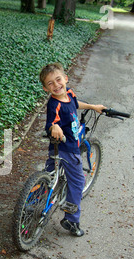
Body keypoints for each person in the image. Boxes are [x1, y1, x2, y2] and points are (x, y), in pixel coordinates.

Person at [39, 62, 105, 237]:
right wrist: (55, 127)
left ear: (65, 79)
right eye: (50, 83)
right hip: (67, 149)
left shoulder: (69, 94)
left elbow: (75, 104)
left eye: (58, 80)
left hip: (56, 150)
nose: (56, 85)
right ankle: (71, 219)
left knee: (49, 176)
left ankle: (34, 203)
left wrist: (92, 107)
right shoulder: (55, 104)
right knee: (77, 183)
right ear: (46, 89)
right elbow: (51, 123)